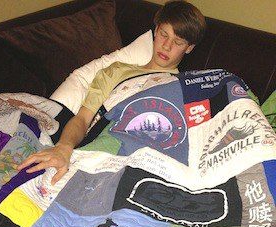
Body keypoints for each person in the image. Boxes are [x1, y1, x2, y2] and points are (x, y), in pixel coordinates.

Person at [18, 0, 206, 184]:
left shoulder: (185, 89)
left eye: (178, 42)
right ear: (156, 30)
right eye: (164, 34)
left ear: (189, 48)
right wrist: (64, 147)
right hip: (91, 147)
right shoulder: (117, 71)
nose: (166, 46)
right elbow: (83, 119)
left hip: (135, 162)